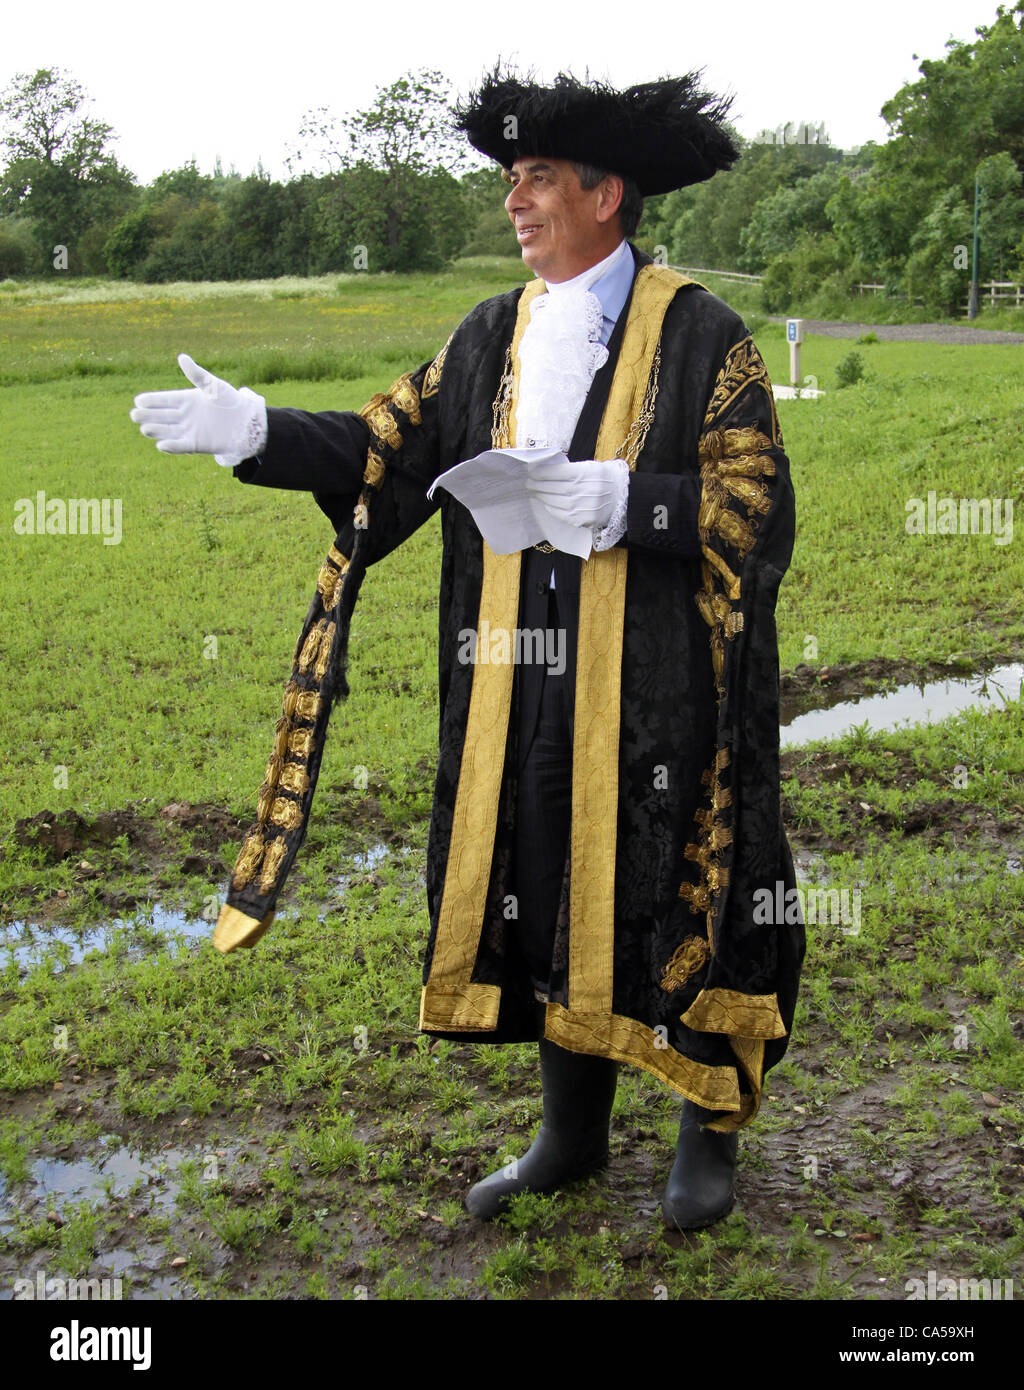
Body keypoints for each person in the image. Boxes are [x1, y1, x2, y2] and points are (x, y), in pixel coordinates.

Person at [130, 67, 805, 1230]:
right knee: (540, 872)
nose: (514, 202)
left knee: (688, 881)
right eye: (510, 181)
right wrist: (256, 429)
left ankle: (708, 1127)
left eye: (536, 179)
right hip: (517, 675)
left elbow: (755, 505)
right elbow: (387, 444)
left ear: (606, 195)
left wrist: (615, 500)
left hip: (663, 689)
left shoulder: (704, 332)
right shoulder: (489, 332)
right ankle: (571, 1134)